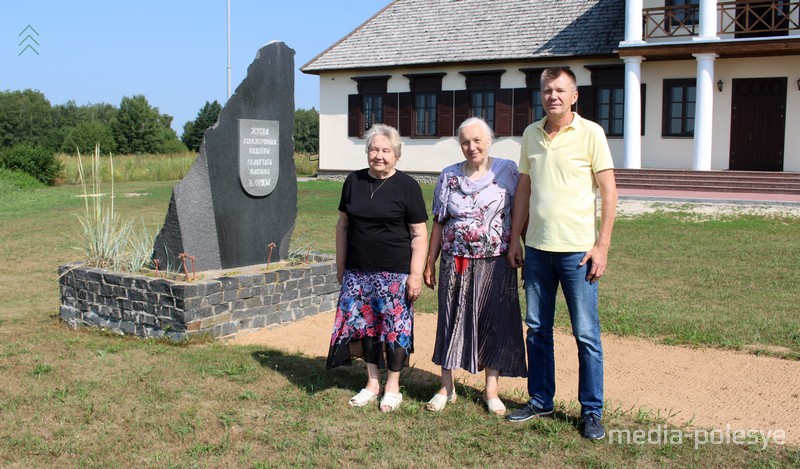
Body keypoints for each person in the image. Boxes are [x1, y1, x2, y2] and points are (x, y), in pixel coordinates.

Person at [505, 67, 618, 441]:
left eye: (560, 90)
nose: (552, 96)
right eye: (547, 90)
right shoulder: (530, 135)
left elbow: (609, 192)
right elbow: (523, 191)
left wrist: (601, 246)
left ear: (574, 96)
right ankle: (540, 400)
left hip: (578, 254)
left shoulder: (591, 134)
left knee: (586, 335)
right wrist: (514, 239)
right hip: (537, 250)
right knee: (537, 330)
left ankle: (591, 411)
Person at [423, 117, 527, 416]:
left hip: (496, 262)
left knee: (494, 322)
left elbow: (520, 211)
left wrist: (520, 244)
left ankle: (491, 389)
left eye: (477, 140)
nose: (472, 147)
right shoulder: (448, 176)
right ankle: (446, 386)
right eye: (465, 142)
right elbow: (440, 222)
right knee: (450, 319)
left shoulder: (507, 170)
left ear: (489, 140)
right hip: (455, 262)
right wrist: (430, 260)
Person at [326, 123, 429, 412]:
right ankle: (372, 382)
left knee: (395, 329)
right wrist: (341, 264)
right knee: (367, 329)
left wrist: (415, 274)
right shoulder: (353, 181)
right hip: (358, 273)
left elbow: (419, 234)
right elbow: (343, 225)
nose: (379, 155)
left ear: (396, 154)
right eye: (373, 149)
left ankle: (393, 387)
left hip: (394, 274)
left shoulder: (407, 186)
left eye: (385, 150)